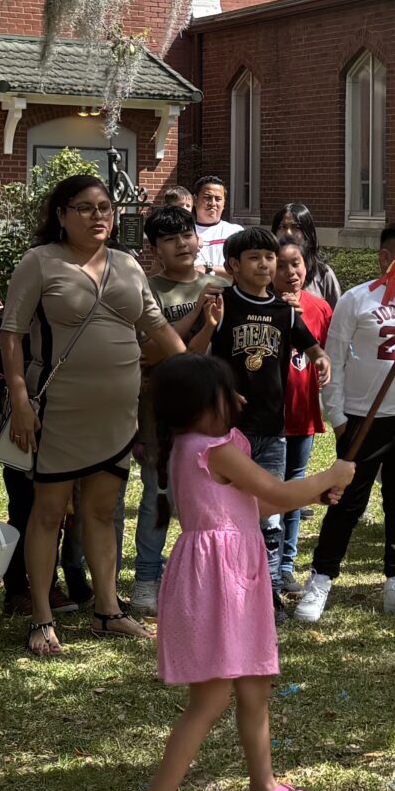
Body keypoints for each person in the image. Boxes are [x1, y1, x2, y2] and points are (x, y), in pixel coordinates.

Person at [129, 353, 355, 791]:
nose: (240, 399)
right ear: (199, 406)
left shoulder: (199, 445)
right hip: (218, 581)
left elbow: (259, 502)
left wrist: (314, 494)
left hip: (235, 576)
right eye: (227, 393)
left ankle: (263, 787)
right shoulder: (214, 449)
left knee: (255, 684)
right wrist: (330, 474)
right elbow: (277, 489)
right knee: (209, 700)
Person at [0, 170, 185, 654]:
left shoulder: (127, 264)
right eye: (85, 207)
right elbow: (11, 334)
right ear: (61, 216)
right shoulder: (39, 262)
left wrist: (201, 380)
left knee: (102, 512)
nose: (98, 216)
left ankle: (108, 610)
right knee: (49, 514)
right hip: (56, 412)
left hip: (119, 414)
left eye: (105, 207)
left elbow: (158, 327)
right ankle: (41, 618)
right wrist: (20, 398)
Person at [300, 220, 395, 622]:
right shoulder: (356, 299)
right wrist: (337, 419)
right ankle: (320, 579)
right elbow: (332, 361)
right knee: (346, 502)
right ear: (385, 257)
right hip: (362, 421)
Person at [212, 226, 330, 588]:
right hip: (231, 429)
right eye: (254, 258)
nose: (265, 264)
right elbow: (203, 357)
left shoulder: (284, 311)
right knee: (229, 507)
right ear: (233, 264)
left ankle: (270, 589)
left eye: (269, 257)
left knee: (271, 515)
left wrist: (320, 358)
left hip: (273, 429)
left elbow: (312, 347)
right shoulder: (222, 303)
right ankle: (229, 581)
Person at [130, 206, 224, 620]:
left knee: (206, 498)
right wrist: (196, 315)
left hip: (206, 412)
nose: (182, 243)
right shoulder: (146, 290)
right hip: (158, 410)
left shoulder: (220, 285)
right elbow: (150, 352)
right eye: (170, 239)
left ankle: (199, 577)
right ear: (155, 250)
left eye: (187, 234)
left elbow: (207, 352)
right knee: (157, 498)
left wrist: (208, 326)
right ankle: (146, 579)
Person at [272, 235, 335, 592]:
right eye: (281, 265)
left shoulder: (320, 308)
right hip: (266, 422)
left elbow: (328, 352)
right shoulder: (260, 305)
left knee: (295, 489)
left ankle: (285, 564)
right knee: (265, 492)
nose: (290, 272)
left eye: (295, 263)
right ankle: (262, 561)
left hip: (302, 415)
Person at [269, 203, 344, 303]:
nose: (288, 233)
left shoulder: (323, 274)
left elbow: (336, 315)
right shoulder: (266, 270)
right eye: (283, 227)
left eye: (296, 227)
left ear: (307, 233)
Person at [190, 176, 241, 273]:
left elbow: (243, 270)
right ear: (195, 200)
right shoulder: (185, 234)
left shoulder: (235, 232)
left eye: (218, 199)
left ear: (224, 203)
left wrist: (207, 269)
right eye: (207, 198)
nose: (213, 203)